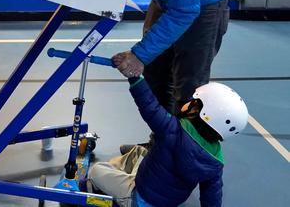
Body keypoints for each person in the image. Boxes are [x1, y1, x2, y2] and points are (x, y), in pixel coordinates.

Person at [113, 0, 231, 150]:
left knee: (189, 86)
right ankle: (162, 148)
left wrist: (139, 54)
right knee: (155, 74)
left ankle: (182, 159)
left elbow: (186, 8)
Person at [87, 69, 249, 207]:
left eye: (194, 101)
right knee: (140, 152)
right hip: (165, 201)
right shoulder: (215, 162)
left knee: (97, 170)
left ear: (199, 111)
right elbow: (212, 197)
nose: (188, 102)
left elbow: (149, 105)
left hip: (137, 196)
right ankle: (124, 170)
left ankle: (86, 187)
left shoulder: (172, 130)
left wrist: (134, 77)